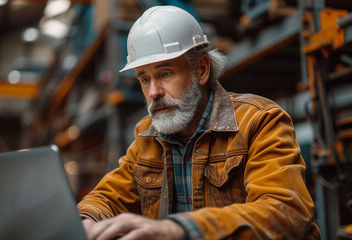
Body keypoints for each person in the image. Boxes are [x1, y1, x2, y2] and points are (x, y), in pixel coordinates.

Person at [77, 5, 320, 240]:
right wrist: (86, 220)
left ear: (201, 70)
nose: (153, 92)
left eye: (164, 74)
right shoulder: (148, 136)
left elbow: (285, 213)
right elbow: (109, 197)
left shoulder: (259, 120)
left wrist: (177, 230)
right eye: (144, 78)